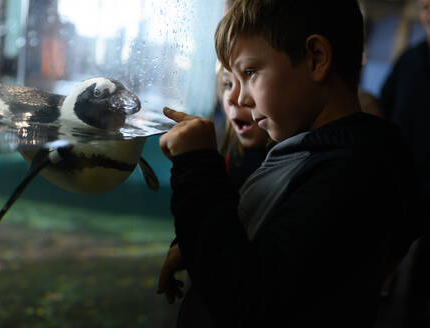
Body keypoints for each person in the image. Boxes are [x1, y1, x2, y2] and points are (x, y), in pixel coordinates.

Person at [158, 0, 422, 327]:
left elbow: (250, 300)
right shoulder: (312, 154)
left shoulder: (351, 171)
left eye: (250, 72)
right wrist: (199, 243)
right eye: (232, 80)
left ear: (316, 58)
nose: (239, 98)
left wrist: (197, 167)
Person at [157, 64, 273, 327]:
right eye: (227, 84)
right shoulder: (236, 155)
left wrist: (195, 162)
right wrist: (187, 244)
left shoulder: (282, 165)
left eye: (250, 77)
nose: (234, 98)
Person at [376, 0, 430, 326]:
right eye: (425, 7)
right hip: (404, 194)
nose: (429, 15)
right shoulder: (409, 62)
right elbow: (382, 115)